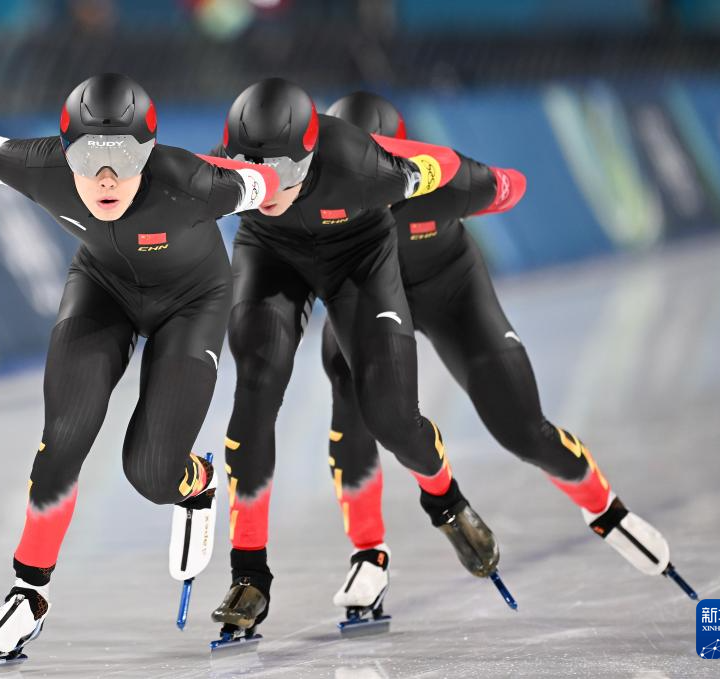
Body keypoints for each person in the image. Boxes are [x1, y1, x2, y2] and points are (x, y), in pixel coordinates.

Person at [0, 73, 279, 667]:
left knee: (152, 474)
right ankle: (29, 592)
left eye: (124, 159)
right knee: (63, 440)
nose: (105, 178)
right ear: (64, 151)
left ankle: (196, 482)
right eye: (88, 158)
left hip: (193, 303)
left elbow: (273, 180)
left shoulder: (194, 182)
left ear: (149, 152)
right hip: (102, 290)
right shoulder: (39, 166)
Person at [320, 91, 695, 619]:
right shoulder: (318, 198)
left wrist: (483, 181)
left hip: (452, 295)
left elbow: (511, 185)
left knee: (522, 430)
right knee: (352, 404)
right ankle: (368, 554)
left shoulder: (438, 184)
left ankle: (605, 510)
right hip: (370, 302)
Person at [209, 78, 503, 641]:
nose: (267, 186)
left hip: (357, 259)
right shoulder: (222, 169)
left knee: (391, 417)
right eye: (252, 170)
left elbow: (446, 167)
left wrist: (503, 186)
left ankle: (445, 500)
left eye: (284, 170)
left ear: (310, 155)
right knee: (255, 391)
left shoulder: (362, 163)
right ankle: (249, 574)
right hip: (271, 255)